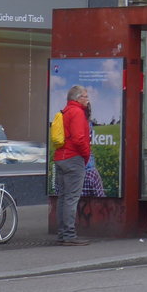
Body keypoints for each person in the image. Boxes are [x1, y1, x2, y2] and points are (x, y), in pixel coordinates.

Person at [53, 85, 92, 246]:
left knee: (63, 197)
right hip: (73, 158)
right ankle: (69, 234)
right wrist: (86, 155)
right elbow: (79, 138)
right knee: (71, 198)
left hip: (61, 157)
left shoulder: (66, 111)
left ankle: (62, 233)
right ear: (77, 98)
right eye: (85, 96)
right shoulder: (77, 112)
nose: (88, 99)